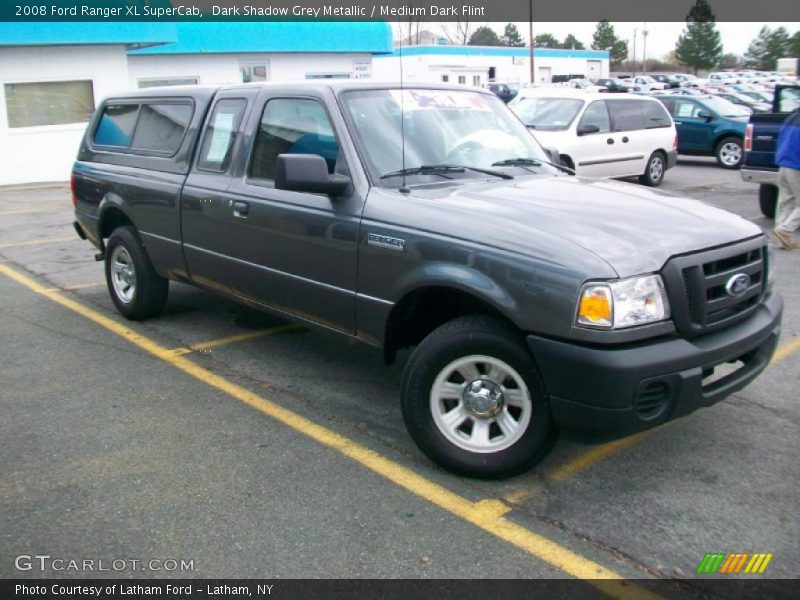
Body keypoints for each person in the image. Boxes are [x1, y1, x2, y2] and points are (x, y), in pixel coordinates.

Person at [774, 105, 800, 250]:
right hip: (797, 166)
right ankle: (785, 230)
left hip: (783, 164)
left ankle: (783, 239)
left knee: (786, 202)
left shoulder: (791, 117)